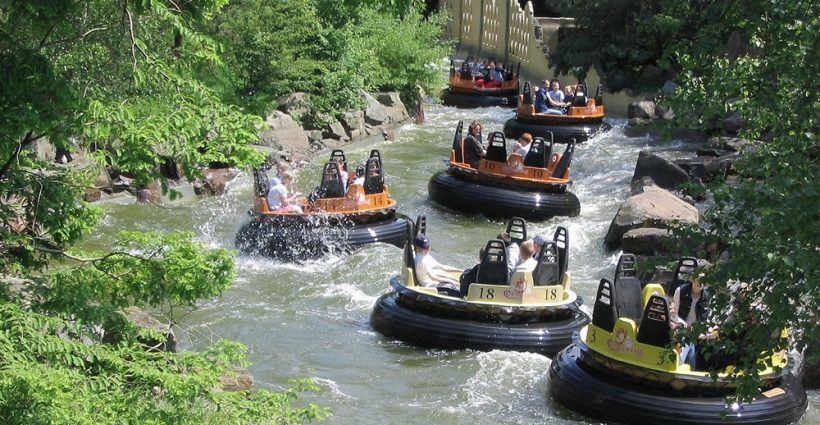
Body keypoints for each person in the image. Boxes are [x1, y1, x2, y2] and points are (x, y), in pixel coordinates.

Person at [672, 271, 710, 367]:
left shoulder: (707, 295)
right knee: (687, 343)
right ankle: (683, 366)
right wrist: (682, 323)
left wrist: (705, 331)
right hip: (683, 330)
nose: (701, 283)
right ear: (693, 279)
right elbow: (673, 315)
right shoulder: (680, 291)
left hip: (698, 332)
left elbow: (707, 318)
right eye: (699, 280)